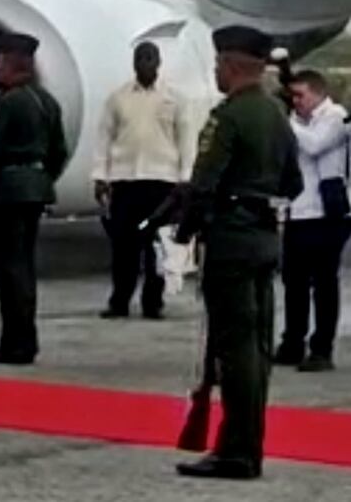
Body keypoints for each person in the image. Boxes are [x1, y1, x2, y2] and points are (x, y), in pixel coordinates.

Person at [174, 25, 303, 480]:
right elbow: (294, 183)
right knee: (257, 347)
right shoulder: (275, 114)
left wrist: (185, 228)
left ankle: (235, 451)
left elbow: (205, 181)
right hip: (266, 239)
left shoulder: (228, 116)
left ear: (230, 65)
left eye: (217, 65)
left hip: (230, 239)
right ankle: (250, 446)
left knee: (234, 350)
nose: (215, 73)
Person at [0, 33, 67, 366]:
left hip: (9, 191)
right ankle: (24, 339)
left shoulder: (7, 102)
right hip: (34, 190)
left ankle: (16, 343)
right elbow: (59, 152)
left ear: (12, 63)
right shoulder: (47, 101)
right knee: (23, 268)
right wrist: (40, 179)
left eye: (0, 59)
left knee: (11, 271)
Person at [93, 42, 194, 320]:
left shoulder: (174, 98)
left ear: (159, 62)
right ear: (134, 63)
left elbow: (186, 140)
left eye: (150, 58)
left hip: (161, 183)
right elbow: (104, 137)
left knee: (157, 246)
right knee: (123, 246)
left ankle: (153, 302)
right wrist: (100, 176)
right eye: (141, 58)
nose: (145, 63)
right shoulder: (118, 98)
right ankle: (119, 301)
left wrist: (185, 179)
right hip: (125, 180)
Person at [276, 70, 350, 372]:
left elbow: (315, 145)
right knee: (293, 282)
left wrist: (286, 122)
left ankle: (322, 347)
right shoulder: (297, 122)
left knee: (324, 283)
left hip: (327, 213)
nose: (296, 102)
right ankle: (293, 342)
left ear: (318, 94)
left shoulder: (335, 117)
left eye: (300, 96)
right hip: (298, 210)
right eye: (292, 97)